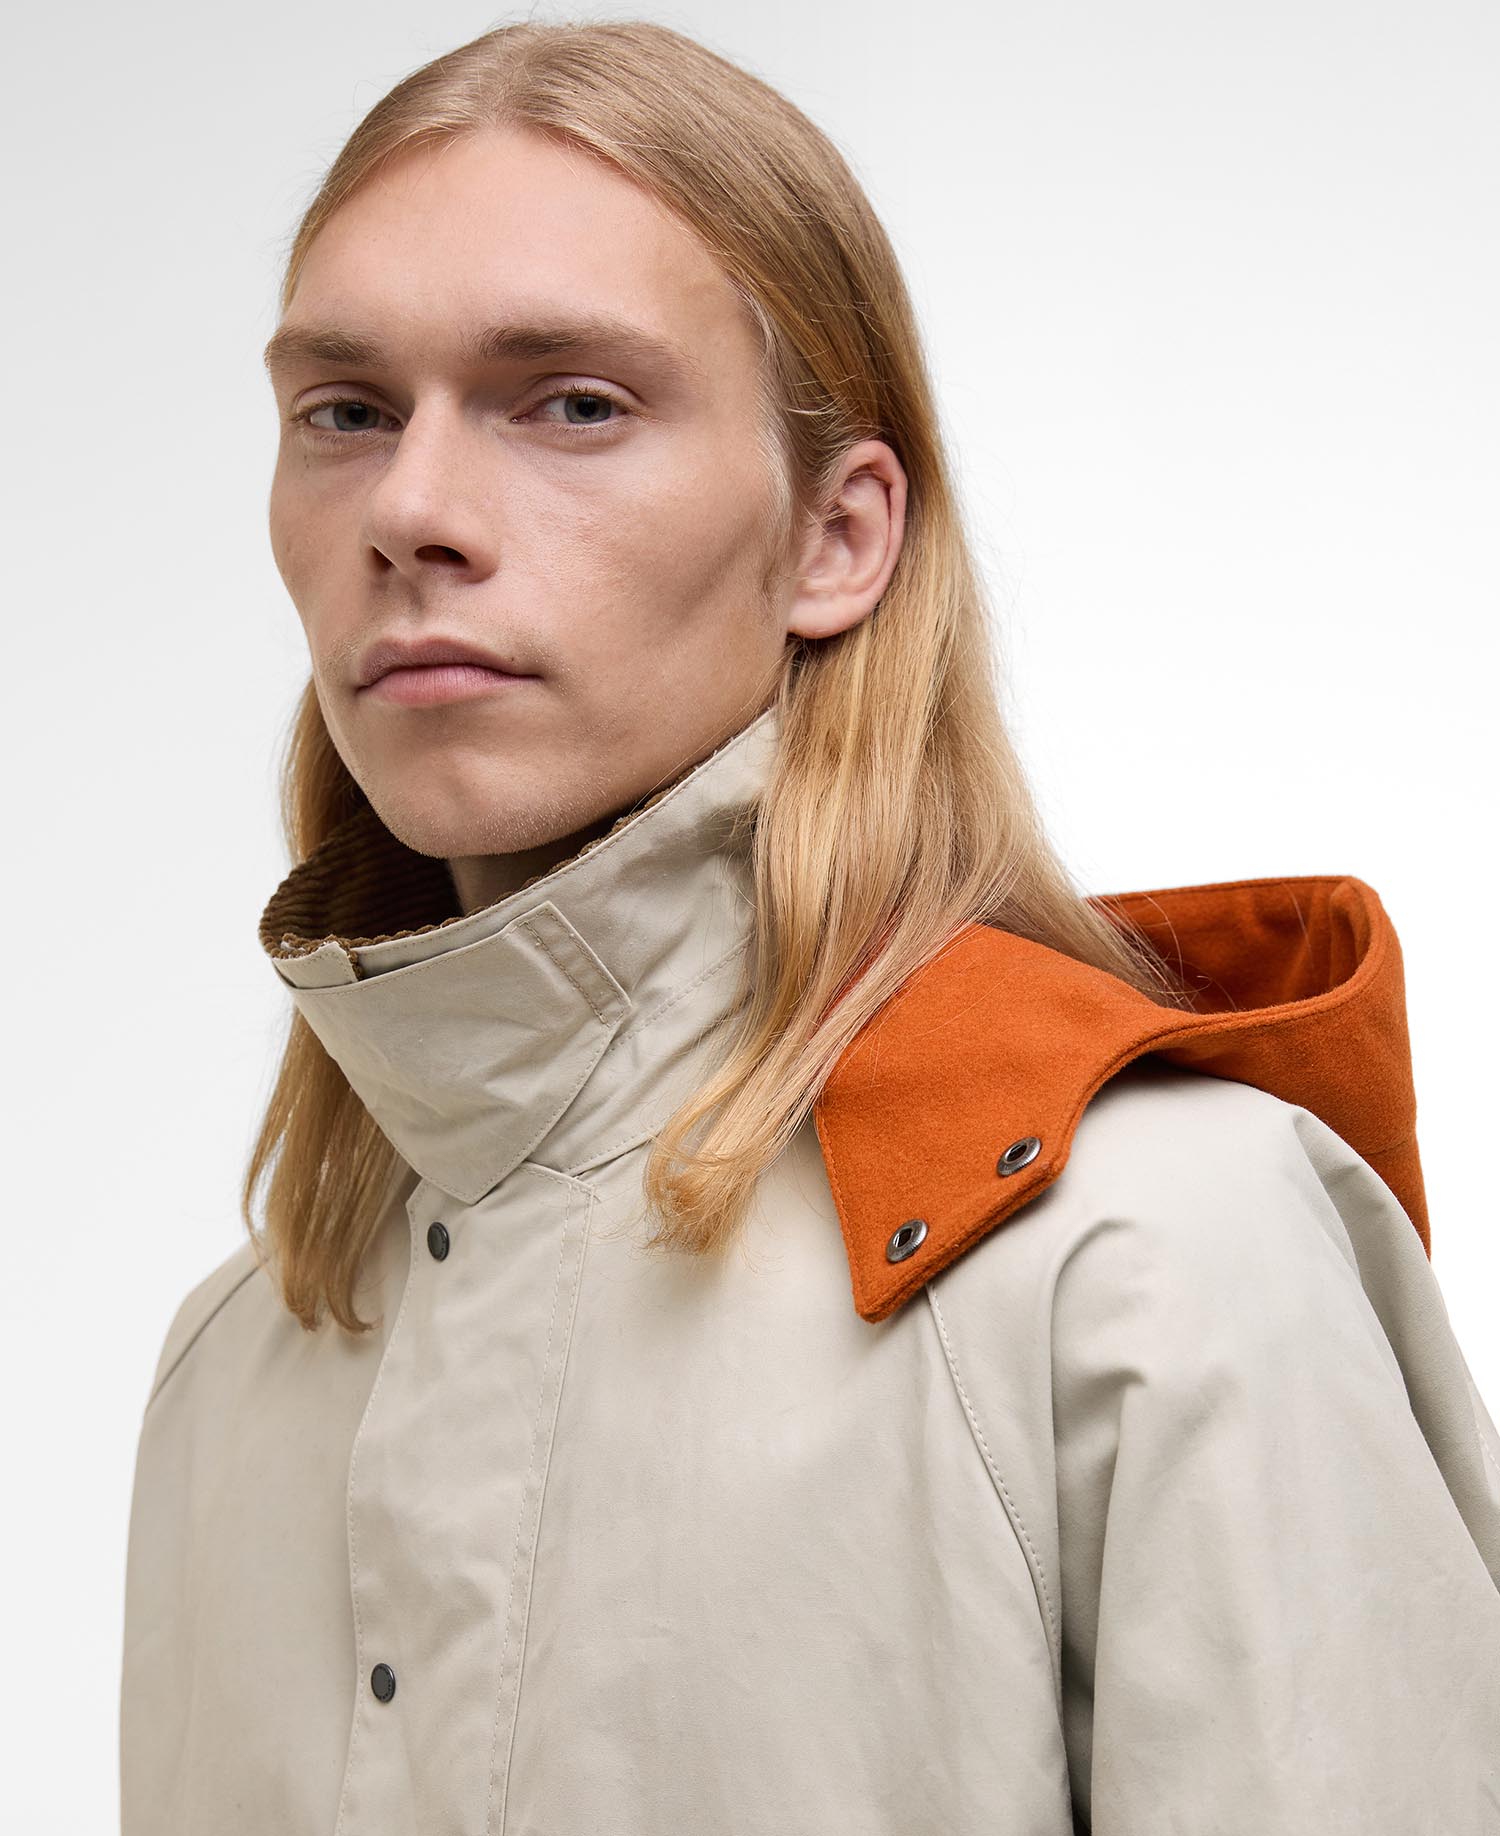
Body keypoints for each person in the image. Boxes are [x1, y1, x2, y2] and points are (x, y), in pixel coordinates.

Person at [119, 18, 1500, 1833]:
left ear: (837, 537)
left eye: (573, 403)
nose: (413, 511)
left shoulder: (1148, 1256)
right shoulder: (239, 1370)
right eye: (345, 413)